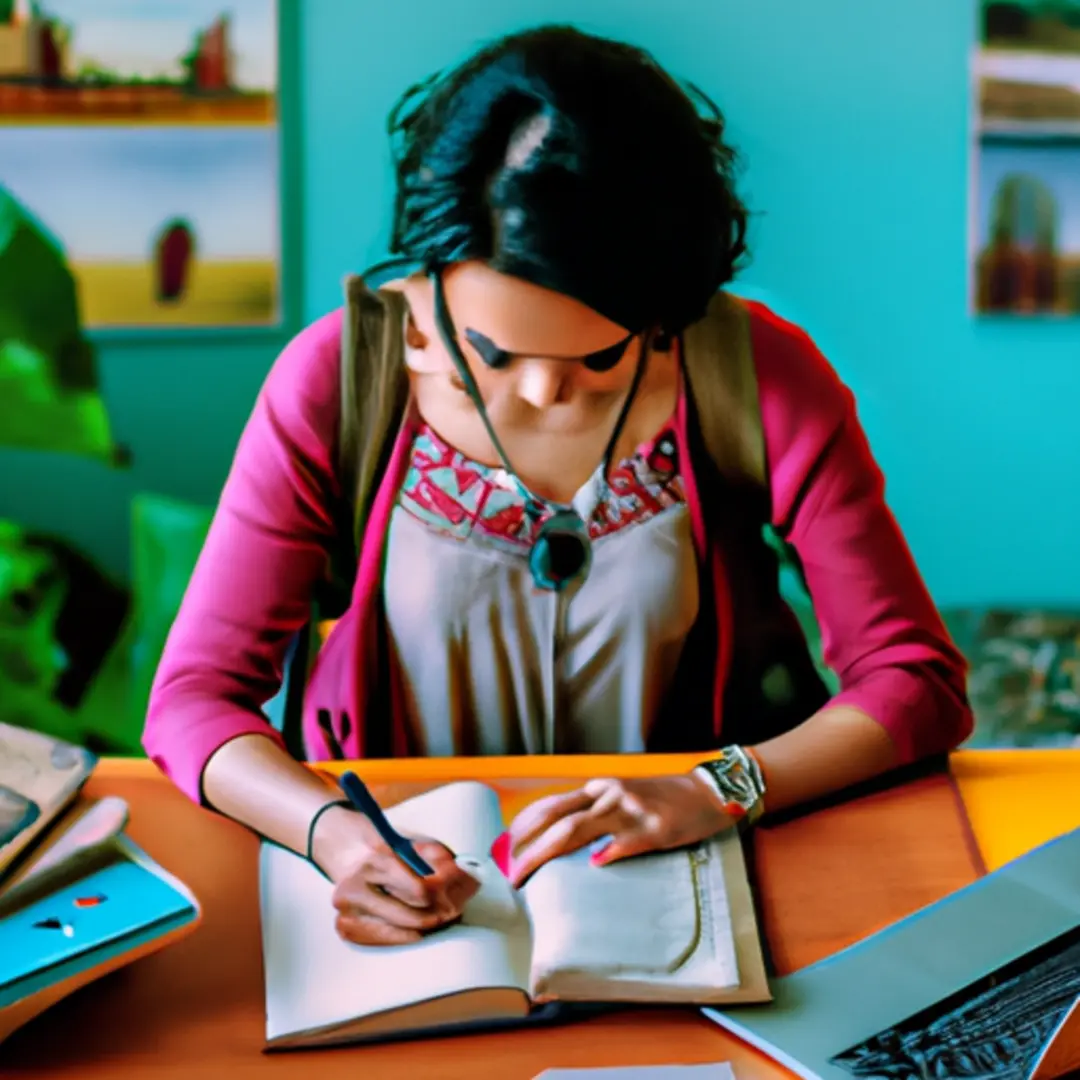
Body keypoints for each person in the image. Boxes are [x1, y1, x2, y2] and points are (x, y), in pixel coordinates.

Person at [143, 25, 973, 948]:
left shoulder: (755, 374)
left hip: (688, 886)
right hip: (413, 900)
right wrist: (335, 837)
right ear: (425, 284)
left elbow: (916, 681)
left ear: (666, 307)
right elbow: (194, 700)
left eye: (602, 355)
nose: (543, 390)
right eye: (491, 353)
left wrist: (717, 789)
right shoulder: (339, 381)